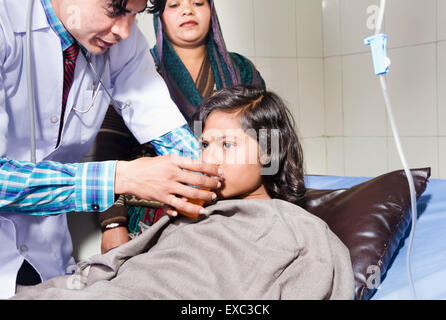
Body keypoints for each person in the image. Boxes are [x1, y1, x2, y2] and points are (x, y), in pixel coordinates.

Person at [11, 85, 355, 300]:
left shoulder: (299, 230)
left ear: (267, 151)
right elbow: (119, 268)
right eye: (205, 144)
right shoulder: (190, 213)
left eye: (228, 144)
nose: (209, 157)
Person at [0, 0, 223, 299]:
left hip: (47, 254)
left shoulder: (120, 41)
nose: (124, 30)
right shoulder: (6, 22)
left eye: (134, 13)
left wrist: (209, 176)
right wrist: (120, 177)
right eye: (114, 10)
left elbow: (162, 122)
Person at [87, 0, 266, 247]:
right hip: (155, 214)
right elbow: (109, 153)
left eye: (198, 3)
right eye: (174, 5)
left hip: (233, 207)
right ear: (158, 16)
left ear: (211, 11)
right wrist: (113, 222)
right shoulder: (136, 69)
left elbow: (267, 138)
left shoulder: (240, 69)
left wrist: (269, 199)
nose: (187, 10)